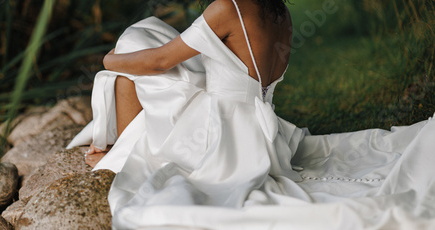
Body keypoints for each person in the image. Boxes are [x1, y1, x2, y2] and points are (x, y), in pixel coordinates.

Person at [68, 0, 435, 229]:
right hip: (259, 131)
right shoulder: (280, 14)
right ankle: (119, 148)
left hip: (217, 136)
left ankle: (117, 150)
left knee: (134, 40)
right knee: (147, 33)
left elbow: (160, 60)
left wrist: (107, 60)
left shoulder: (228, 7)